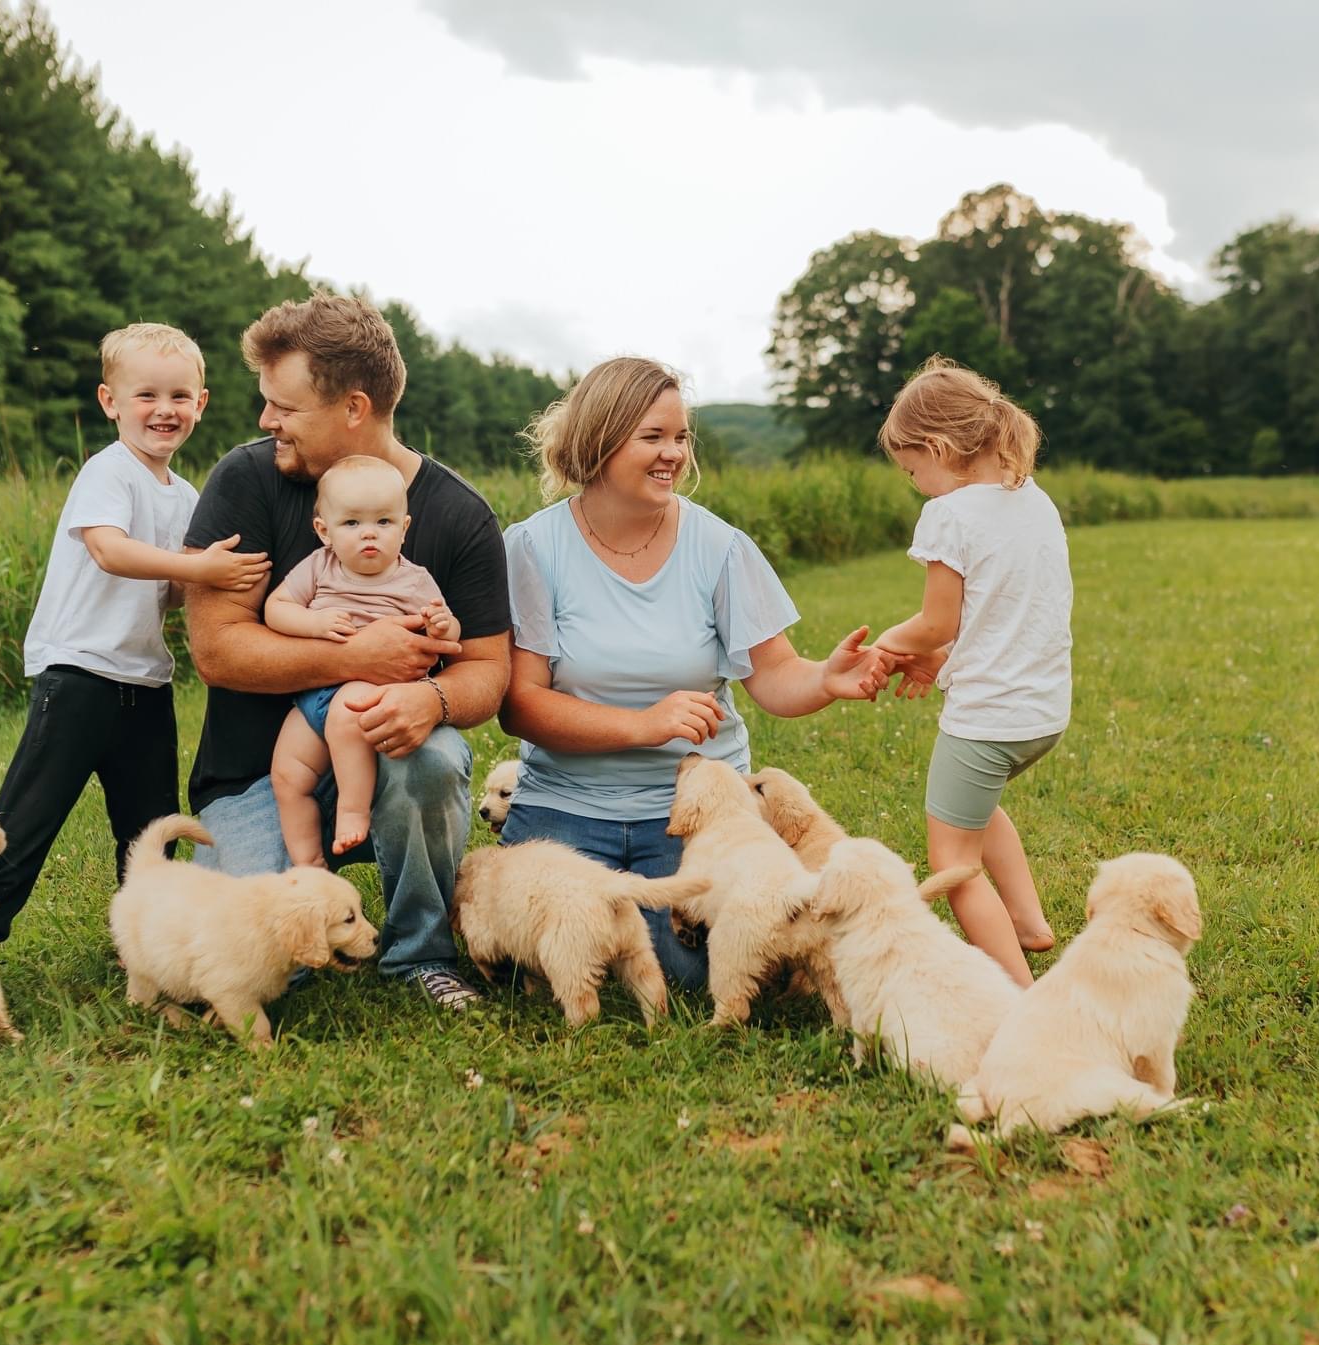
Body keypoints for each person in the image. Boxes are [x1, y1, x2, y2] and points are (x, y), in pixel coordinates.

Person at [497, 356, 890, 991]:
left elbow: (776, 674)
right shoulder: (532, 547)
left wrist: (825, 680)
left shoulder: (720, 546)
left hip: (695, 809)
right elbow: (520, 705)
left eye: (681, 437)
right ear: (599, 439)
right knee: (537, 961)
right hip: (567, 802)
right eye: (652, 436)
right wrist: (641, 725)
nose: (673, 454)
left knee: (693, 972)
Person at [181, 294, 511, 1010]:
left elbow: (489, 669)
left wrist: (433, 697)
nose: (266, 421)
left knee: (431, 757)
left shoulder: (458, 516)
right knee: (265, 964)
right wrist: (356, 657)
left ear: (354, 407)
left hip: (394, 752)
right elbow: (217, 649)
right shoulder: (246, 481)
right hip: (262, 775)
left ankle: (420, 952)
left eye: (283, 406)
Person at [0, 323, 271, 945]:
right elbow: (111, 552)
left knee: (150, 831)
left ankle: (149, 947)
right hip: (79, 675)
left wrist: (225, 582)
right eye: (146, 396)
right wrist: (199, 567)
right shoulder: (107, 472)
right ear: (110, 402)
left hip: (145, 685)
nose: (163, 410)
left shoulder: (188, 495)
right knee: (24, 823)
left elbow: (166, 592)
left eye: (178, 396)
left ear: (202, 402)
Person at [872, 357, 1072, 987]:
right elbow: (1003, 611)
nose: (916, 485)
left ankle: (1021, 997)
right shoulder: (1033, 499)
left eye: (912, 471)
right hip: (1042, 715)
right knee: (975, 813)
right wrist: (942, 662)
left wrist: (888, 645)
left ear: (937, 447)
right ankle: (1030, 922)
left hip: (986, 721)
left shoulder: (951, 515)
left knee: (954, 865)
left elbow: (937, 623)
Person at [265, 455, 460, 869]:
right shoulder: (319, 567)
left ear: (404, 528)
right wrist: (314, 623)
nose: (368, 534)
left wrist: (443, 627)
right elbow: (276, 607)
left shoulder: (413, 579)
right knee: (286, 774)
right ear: (325, 531)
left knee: (344, 716)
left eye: (384, 522)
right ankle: (309, 862)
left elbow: (444, 631)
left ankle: (353, 811)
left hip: (370, 689)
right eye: (352, 523)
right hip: (313, 692)